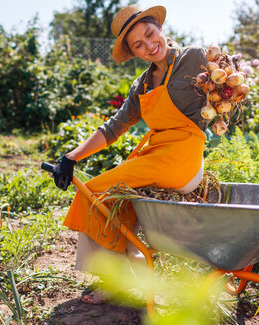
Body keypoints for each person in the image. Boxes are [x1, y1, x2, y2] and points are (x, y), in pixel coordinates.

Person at [52, 4, 210, 304]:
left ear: (160, 29)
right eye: (139, 44)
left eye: (151, 34)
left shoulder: (195, 58)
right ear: (133, 53)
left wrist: (228, 89)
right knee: (112, 199)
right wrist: (71, 157)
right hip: (159, 155)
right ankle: (128, 273)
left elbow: (227, 81)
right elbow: (113, 128)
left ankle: (117, 280)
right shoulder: (141, 86)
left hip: (184, 157)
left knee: (95, 190)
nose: (150, 46)